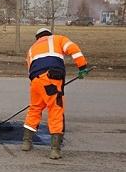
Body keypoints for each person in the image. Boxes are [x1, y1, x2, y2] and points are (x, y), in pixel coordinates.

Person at [22, 28, 90, 159]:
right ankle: (55, 149)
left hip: (35, 82)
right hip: (51, 78)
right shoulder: (58, 39)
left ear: (37, 38)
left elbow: (30, 69)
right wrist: (82, 67)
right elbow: (73, 49)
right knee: (55, 110)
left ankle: (26, 142)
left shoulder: (31, 49)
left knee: (35, 108)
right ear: (49, 34)